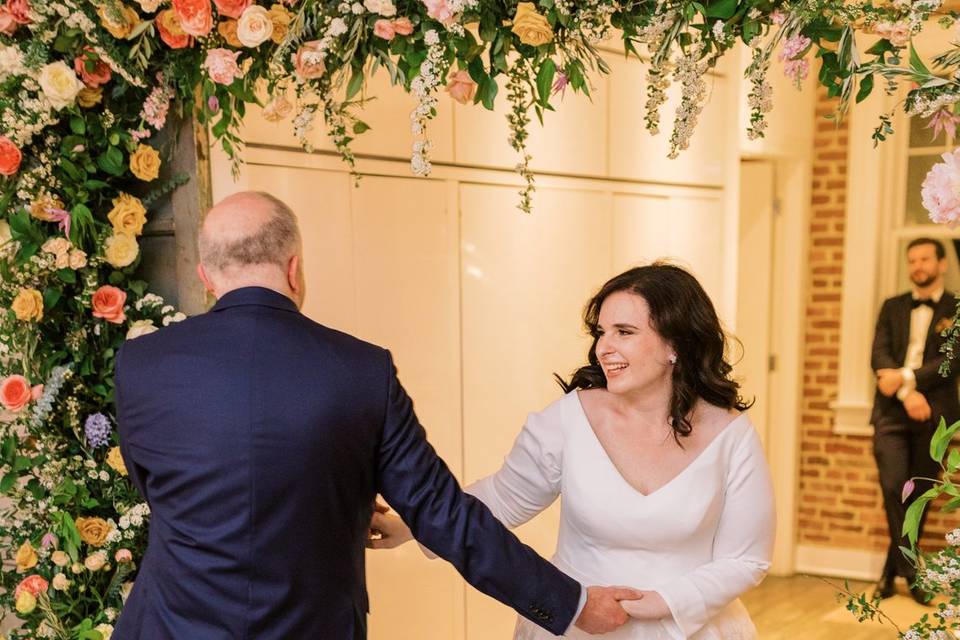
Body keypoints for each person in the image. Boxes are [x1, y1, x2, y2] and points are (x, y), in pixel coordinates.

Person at [112, 191, 639, 639]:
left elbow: (161, 489)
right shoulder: (362, 370)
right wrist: (568, 603)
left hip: (169, 624)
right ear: (294, 268)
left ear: (206, 276)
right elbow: (443, 514)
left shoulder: (140, 364)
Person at [371, 264, 776, 639]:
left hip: (691, 629)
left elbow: (746, 559)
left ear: (676, 344)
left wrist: (661, 603)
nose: (604, 348)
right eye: (601, 332)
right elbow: (503, 498)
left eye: (624, 332)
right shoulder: (569, 419)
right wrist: (413, 525)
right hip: (579, 625)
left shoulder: (731, 435)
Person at [870, 237, 960, 603]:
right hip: (891, 412)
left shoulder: (957, 308)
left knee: (919, 494)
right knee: (894, 487)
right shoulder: (892, 306)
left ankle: (890, 573)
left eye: (924, 259)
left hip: (935, 416)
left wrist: (907, 379)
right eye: (912, 260)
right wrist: (907, 394)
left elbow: (952, 361)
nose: (917, 265)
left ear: (941, 264)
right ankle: (912, 571)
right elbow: (879, 355)